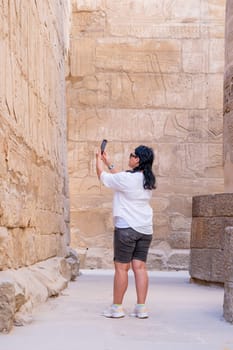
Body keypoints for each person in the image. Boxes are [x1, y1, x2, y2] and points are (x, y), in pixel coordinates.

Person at [96, 144, 156, 319]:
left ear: (137, 159)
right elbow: (121, 179)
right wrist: (109, 162)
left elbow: (103, 177)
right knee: (140, 268)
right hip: (145, 229)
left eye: (132, 155)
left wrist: (98, 160)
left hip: (126, 229)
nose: (130, 157)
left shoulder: (127, 179)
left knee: (122, 269)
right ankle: (141, 308)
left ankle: (117, 308)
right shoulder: (148, 180)